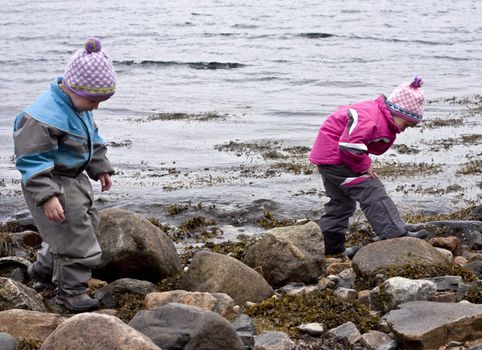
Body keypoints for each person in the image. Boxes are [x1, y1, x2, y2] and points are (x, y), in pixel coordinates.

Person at [13, 37, 116, 312]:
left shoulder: (77, 106)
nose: (96, 106)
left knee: (84, 225)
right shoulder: (42, 116)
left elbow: (90, 138)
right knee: (74, 236)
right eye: (93, 100)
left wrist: (100, 166)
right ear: (72, 87)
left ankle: (44, 271)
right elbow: (31, 160)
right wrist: (47, 197)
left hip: (75, 178)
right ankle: (71, 293)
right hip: (51, 181)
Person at [309, 76, 428, 259]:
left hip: (327, 158)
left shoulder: (377, 113)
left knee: (341, 202)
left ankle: (332, 248)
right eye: (407, 124)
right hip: (337, 158)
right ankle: (395, 234)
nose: (405, 130)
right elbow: (349, 146)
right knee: (372, 189)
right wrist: (365, 165)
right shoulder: (373, 119)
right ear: (397, 112)